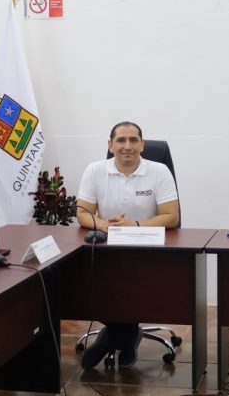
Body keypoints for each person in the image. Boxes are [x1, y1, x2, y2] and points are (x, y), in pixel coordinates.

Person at [75, 121, 180, 370]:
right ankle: (129, 334)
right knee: (83, 283)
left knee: (130, 285)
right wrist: (104, 225)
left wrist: (134, 225)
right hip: (107, 250)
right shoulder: (95, 170)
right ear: (110, 145)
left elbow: (171, 217)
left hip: (149, 252)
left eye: (133, 140)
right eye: (121, 140)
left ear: (142, 145)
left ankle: (112, 337)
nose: (127, 146)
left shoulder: (159, 171)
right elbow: (82, 213)